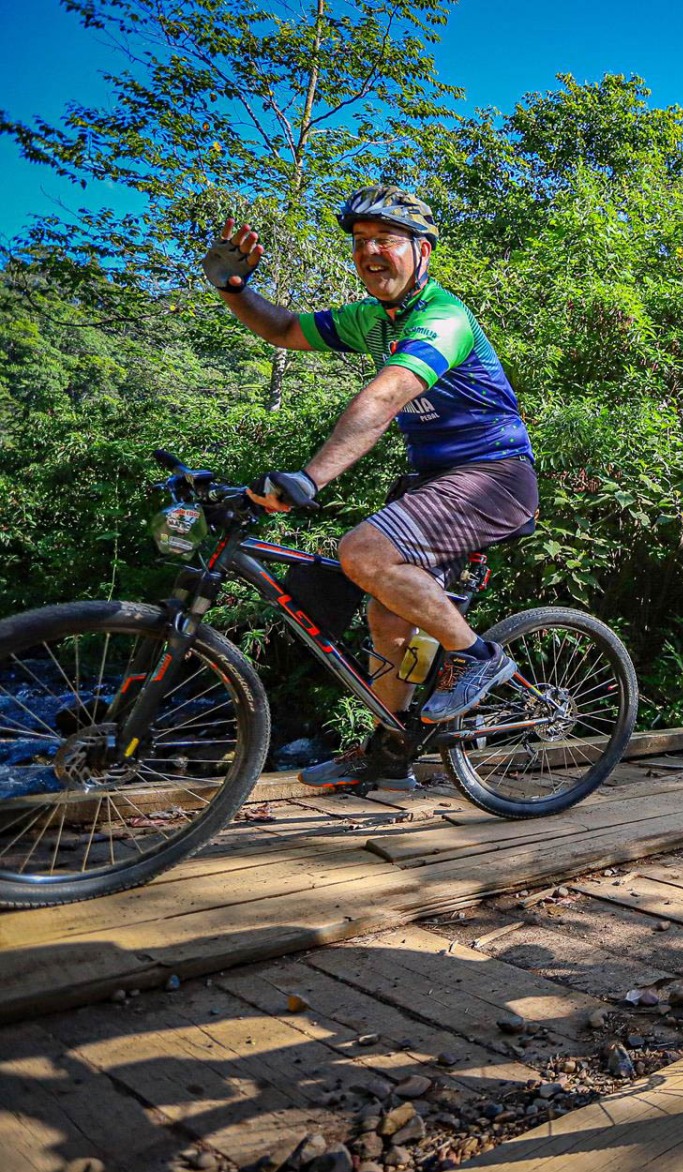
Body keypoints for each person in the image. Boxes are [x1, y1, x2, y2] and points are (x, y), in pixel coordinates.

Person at [202, 186, 537, 790]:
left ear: (422, 251)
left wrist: (309, 477)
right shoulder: (372, 319)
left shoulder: (443, 318)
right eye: (361, 241)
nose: (370, 252)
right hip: (435, 482)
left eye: (386, 239)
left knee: (362, 552)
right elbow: (285, 328)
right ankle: (389, 753)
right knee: (389, 616)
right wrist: (234, 288)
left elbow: (383, 399)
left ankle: (478, 659)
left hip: (494, 476)